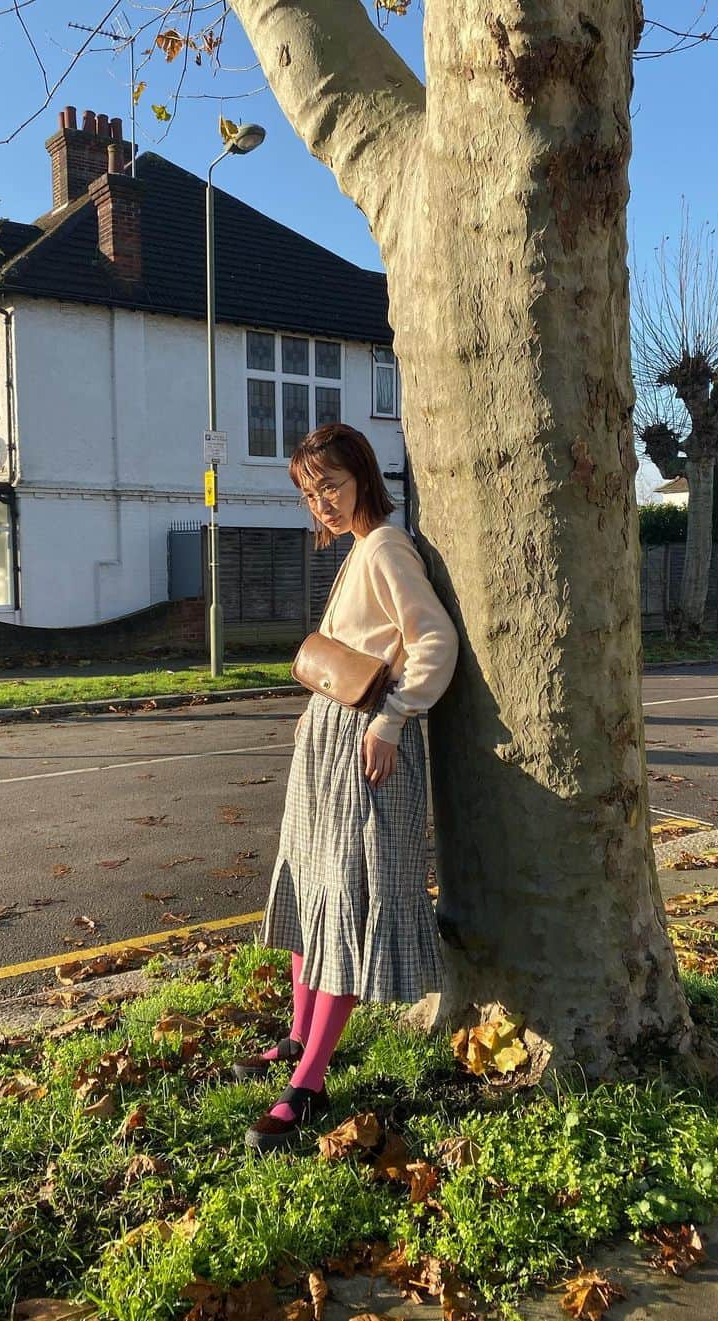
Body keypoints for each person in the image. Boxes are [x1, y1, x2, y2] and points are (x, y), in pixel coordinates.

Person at [233, 422, 459, 1153]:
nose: (321, 501)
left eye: (330, 484)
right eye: (309, 491)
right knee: (314, 894)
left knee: (349, 903)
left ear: (363, 473)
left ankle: (308, 1080)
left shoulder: (388, 545)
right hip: (331, 742)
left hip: (365, 745)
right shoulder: (364, 549)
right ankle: (301, 1039)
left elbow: (434, 640)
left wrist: (392, 720)